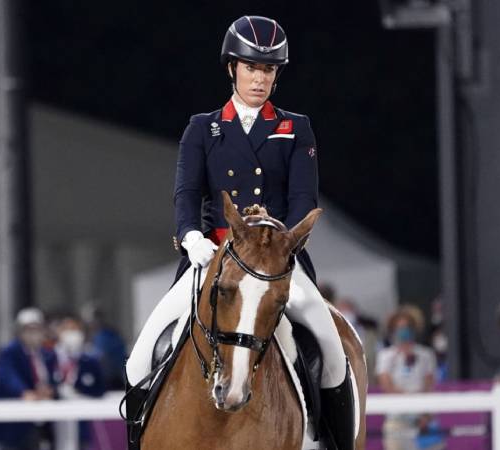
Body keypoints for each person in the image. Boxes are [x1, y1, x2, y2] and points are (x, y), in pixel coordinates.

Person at [125, 15, 351, 449]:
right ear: (233, 68)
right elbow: (187, 193)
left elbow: (305, 198)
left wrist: (280, 238)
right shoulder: (202, 128)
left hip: (275, 260)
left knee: (331, 348)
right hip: (214, 256)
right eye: (251, 68)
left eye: (267, 70)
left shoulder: (295, 127)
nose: (259, 79)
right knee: (141, 356)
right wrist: (191, 236)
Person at [0, 308, 58, 450]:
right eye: (28, 329)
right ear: (19, 331)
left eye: (36, 328)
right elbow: (6, 375)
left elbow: (54, 378)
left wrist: (50, 390)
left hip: (39, 422)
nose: (33, 333)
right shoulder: (9, 351)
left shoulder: (47, 354)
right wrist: (24, 392)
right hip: (10, 424)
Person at [376, 309, 441, 450]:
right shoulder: (386, 356)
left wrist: (424, 414)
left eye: (406, 327)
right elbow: (386, 385)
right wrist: (408, 401)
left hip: (422, 419)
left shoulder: (426, 354)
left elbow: (429, 385)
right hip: (397, 418)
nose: (403, 331)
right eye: (399, 328)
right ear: (393, 331)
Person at [54, 315, 105, 448]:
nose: (71, 333)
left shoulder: (91, 361)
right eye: (67, 329)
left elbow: (100, 389)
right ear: (60, 332)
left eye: (75, 329)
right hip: (54, 424)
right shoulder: (49, 358)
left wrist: (79, 391)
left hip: (81, 424)